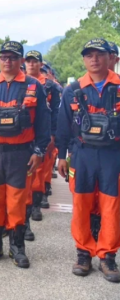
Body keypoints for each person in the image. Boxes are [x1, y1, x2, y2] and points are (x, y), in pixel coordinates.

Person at [0, 41, 50, 269]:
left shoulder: (34, 86)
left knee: (17, 201)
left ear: (21, 61)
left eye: (13, 57)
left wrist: (38, 151)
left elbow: (44, 123)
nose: (8, 61)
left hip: (20, 154)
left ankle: (17, 247)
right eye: (4, 57)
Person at [56, 38, 120, 283]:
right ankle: (83, 253)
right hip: (81, 155)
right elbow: (63, 125)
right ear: (84, 59)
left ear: (110, 57)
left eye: (99, 54)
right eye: (89, 55)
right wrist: (61, 156)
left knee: (112, 206)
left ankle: (108, 255)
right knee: (81, 205)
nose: (94, 59)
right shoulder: (72, 90)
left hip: (113, 155)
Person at [24, 50, 61, 240]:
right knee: (22, 180)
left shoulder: (51, 87)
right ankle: (22, 221)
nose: (31, 64)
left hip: (42, 137)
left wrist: (53, 136)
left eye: (34, 61)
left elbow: (55, 113)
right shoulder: (19, 83)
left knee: (39, 174)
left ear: (40, 64)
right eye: (28, 61)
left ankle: (36, 205)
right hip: (22, 137)